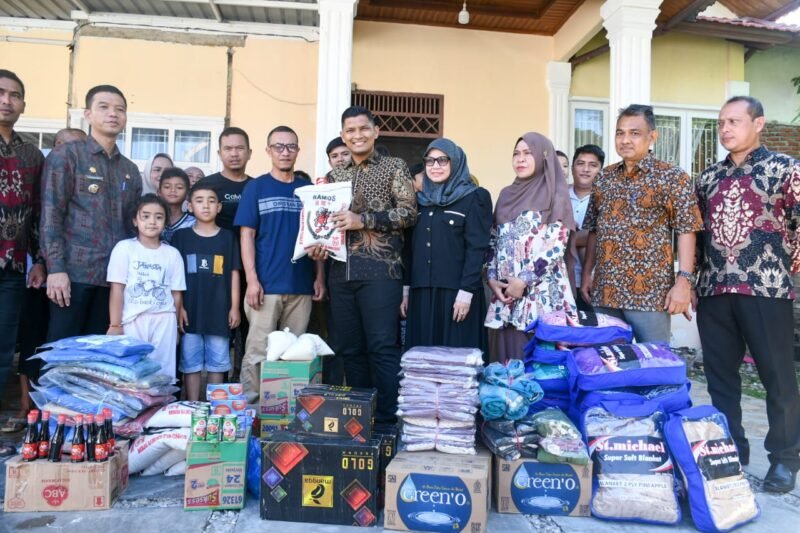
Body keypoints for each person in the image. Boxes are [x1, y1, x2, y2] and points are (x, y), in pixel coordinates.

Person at [695, 96, 800, 493]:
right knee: (721, 379)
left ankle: (785, 460)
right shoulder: (707, 178)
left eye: (734, 121)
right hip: (716, 288)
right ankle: (730, 453)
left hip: (766, 287)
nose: (725, 129)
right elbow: (697, 234)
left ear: (759, 123)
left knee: (778, 377)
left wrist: (792, 261)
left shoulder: (785, 169)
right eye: (721, 122)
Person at [309, 106, 417, 424]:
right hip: (341, 272)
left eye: (363, 129)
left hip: (381, 271)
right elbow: (323, 221)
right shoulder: (334, 177)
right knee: (350, 348)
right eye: (350, 131)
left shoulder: (394, 167)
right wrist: (318, 244)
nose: (357, 135)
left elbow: (409, 213)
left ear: (375, 130)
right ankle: (359, 421)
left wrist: (363, 220)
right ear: (343, 135)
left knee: (382, 347)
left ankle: (385, 421)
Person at [580, 104, 703, 343]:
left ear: (652, 137)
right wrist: (587, 274)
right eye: (620, 133)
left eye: (634, 133)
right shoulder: (604, 178)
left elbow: (687, 230)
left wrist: (684, 282)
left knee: (655, 363)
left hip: (649, 294)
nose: (625, 140)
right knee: (610, 365)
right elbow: (594, 231)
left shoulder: (672, 177)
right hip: (606, 291)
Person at [41, 84, 142, 342]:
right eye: (104, 107)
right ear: (88, 114)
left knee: (100, 358)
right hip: (73, 275)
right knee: (62, 355)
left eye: (120, 109)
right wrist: (55, 269)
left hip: (114, 280)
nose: (113, 114)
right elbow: (51, 215)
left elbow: (134, 228)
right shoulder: (66, 156)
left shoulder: (129, 170)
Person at [234, 126, 325, 403]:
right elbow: (246, 234)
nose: (285, 152)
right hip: (265, 286)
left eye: (291, 147)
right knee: (258, 352)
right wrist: (252, 279)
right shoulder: (256, 187)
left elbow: (319, 236)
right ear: (268, 151)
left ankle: (284, 412)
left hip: (301, 285)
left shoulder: (307, 191)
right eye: (278, 146)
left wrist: (319, 277)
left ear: (298, 151)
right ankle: (251, 412)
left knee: (295, 355)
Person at [484, 132, 576, 362]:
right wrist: (492, 278)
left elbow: (556, 246)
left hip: (541, 294)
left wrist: (523, 281)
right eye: (516, 154)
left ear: (543, 156)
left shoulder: (556, 193)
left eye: (528, 153)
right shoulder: (506, 195)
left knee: (540, 366)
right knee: (505, 364)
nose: (520, 159)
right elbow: (494, 241)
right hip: (506, 296)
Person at [402, 138, 492, 354]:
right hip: (422, 293)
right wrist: (405, 290)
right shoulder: (419, 200)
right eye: (430, 161)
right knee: (422, 359)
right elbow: (408, 248)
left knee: (457, 364)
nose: (435, 166)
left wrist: (466, 292)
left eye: (443, 160)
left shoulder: (474, 197)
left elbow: (477, 248)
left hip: (458, 295)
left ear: (456, 162)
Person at [0, 69, 44, 429]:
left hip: (13, 266)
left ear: (23, 104)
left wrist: (40, 260)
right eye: (1, 93)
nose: (6, 101)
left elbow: (38, 212)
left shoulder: (31, 153)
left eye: (14, 95)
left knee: (3, 352)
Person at [172, 183, 241, 401]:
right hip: (191, 311)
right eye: (199, 200)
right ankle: (193, 405)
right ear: (189, 206)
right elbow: (176, 278)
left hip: (219, 312)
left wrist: (235, 308)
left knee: (218, 361)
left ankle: (214, 408)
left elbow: (234, 273)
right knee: (190, 362)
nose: (206, 205)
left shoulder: (228, 237)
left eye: (211, 201)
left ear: (219, 207)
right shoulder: (181, 238)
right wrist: (179, 307)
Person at [106, 194, 185, 379]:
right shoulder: (124, 248)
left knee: (162, 373)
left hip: (164, 320)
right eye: (146, 216)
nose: (152, 222)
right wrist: (115, 324)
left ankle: (161, 408)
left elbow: (177, 294)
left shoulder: (172, 254)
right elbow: (117, 289)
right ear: (135, 220)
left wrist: (175, 328)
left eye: (159, 217)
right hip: (133, 320)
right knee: (132, 374)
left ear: (165, 221)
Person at [565, 144, 604, 310]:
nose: (586, 169)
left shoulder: (606, 200)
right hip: (560, 282)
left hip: (593, 284)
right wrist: (583, 237)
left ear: (601, 170)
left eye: (593, 165)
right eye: (581, 163)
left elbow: (600, 236)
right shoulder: (557, 197)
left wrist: (565, 237)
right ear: (573, 167)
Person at [197, 127, 253, 231]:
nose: (234, 154)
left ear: (249, 153)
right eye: (228, 148)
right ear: (219, 154)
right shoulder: (205, 185)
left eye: (240, 148)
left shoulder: (257, 186)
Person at [159, 167, 195, 242]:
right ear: (159, 192)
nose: (173, 190)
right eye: (167, 187)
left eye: (179, 187)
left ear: (187, 193)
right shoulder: (152, 220)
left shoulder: (194, 223)